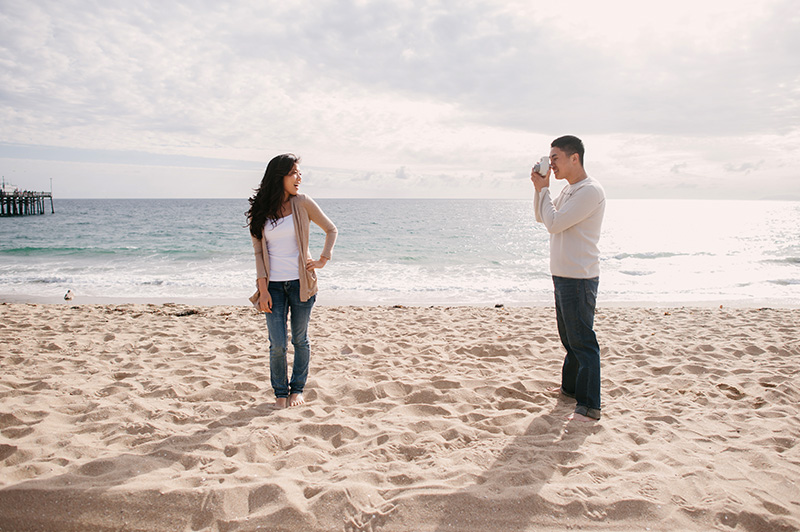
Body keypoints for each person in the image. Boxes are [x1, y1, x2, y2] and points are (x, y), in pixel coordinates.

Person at [246, 153, 338, 409]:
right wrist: (262, 289)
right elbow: (258, 252)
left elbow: (331, 229)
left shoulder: (303, 203)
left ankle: (297, 389)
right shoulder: (260, 210)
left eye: (299, 173)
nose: (299, 178)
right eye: (293, 173)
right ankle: (280, 392)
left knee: (299, 339)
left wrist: (322, 259)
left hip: (301, 283)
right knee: (277, 344)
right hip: (273, 286)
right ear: (280, 176)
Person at [531, 135, 606, 421]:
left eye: (555, 159)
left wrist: (545, 190)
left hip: (579, 276)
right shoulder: (570, 190)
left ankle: (589, 406)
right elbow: (542, 217)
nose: (552, 165)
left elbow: (555, 223)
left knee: (583, 342)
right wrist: (539, 190)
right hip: (563, 274)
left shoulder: (589, 191)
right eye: (549, 160)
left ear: (574, 158)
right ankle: (570, 390)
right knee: (569, 340)